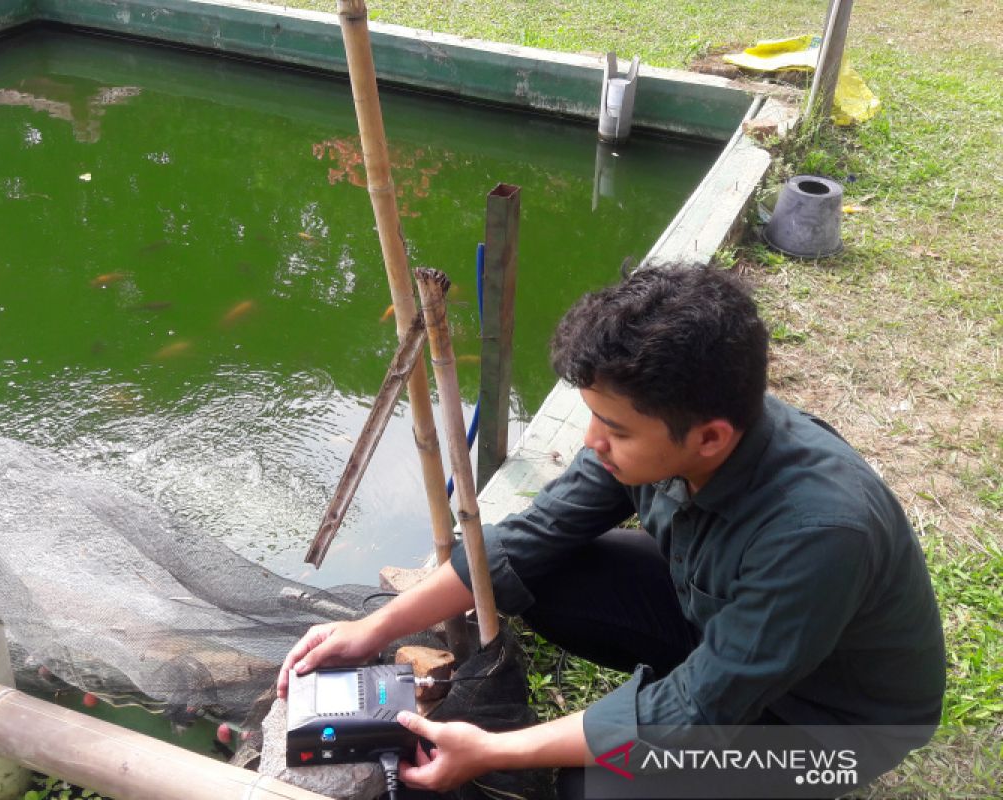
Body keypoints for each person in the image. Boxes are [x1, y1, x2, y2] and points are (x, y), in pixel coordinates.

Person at [276, 265, 945, 797]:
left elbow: (692, 712)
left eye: (615, 429)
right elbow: (529, 539)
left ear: (711, 437)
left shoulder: (820, 534)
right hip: (729, 627)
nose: (592, 441)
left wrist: (491, 752)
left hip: (831, 727)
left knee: (594, 784)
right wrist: (374, 630)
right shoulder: (676, 425)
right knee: (544, 578)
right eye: (591, 416)